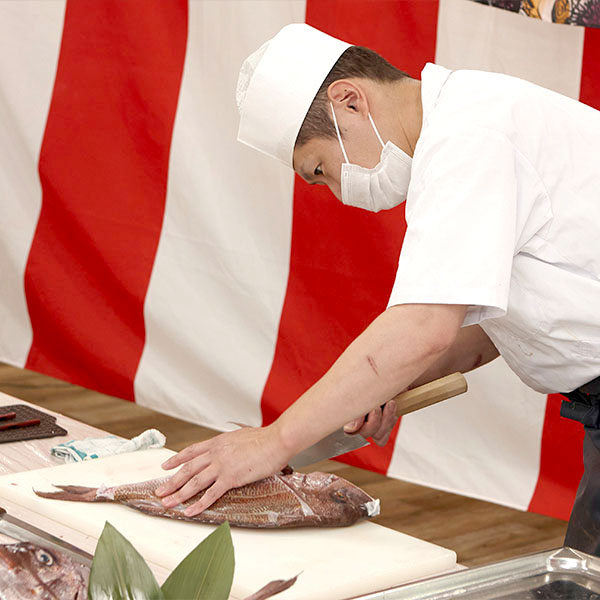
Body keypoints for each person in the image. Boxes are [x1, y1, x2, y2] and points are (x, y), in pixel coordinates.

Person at [155, 24, 600, 555]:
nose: (338, 191)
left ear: (349, 100)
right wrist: (387, 381)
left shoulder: (470, 134)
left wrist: (274, 442)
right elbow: (493, 330)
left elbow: (423, 329)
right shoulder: (468, 121)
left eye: (320, 169)